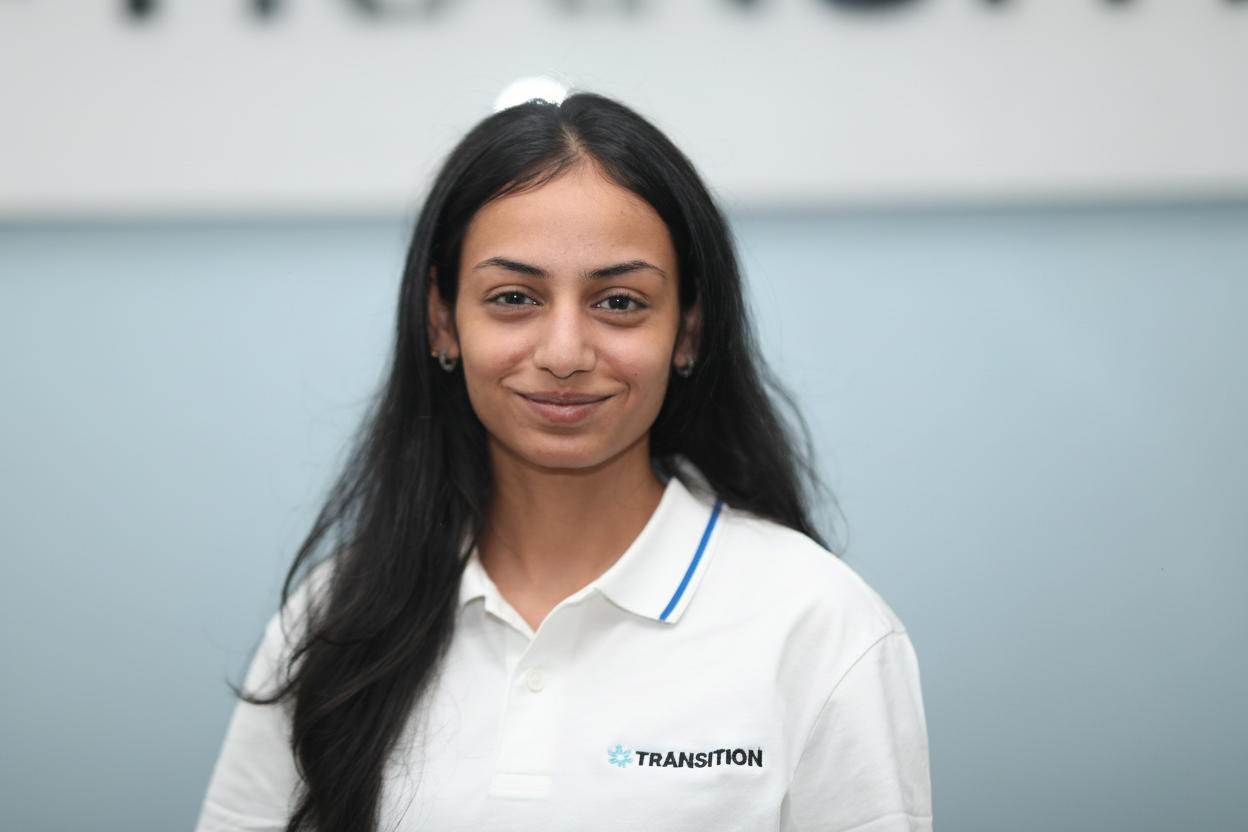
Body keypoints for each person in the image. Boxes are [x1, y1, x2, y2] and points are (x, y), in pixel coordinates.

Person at [196, 93, 931, 832]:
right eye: (515, 297)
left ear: (689, 329)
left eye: (620, 302)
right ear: (442, 320)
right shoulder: (336, 619)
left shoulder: (818, 624)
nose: (564, 353)